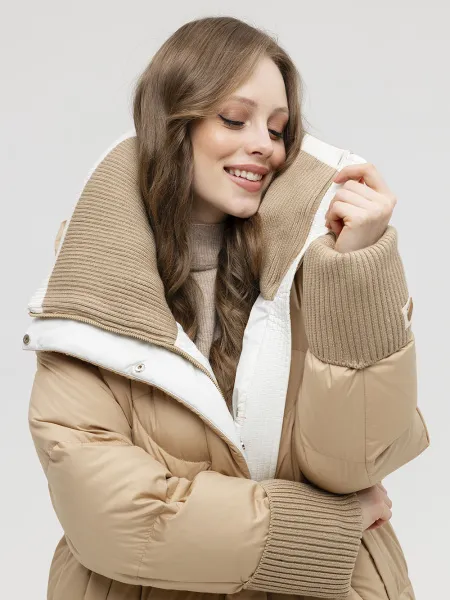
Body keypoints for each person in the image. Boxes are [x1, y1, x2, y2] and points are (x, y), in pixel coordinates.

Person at [23, 15, 430, 600]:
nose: (265, 145)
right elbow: (113, 517)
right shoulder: (95, 285)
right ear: (174, 122)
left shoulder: (315, 265)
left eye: (279, 129)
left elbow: (356, 462)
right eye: (235, 119)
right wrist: (321, 530)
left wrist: (354, 270)